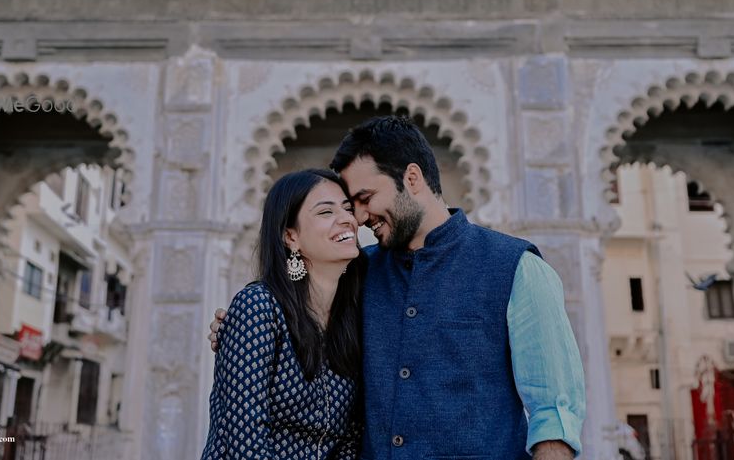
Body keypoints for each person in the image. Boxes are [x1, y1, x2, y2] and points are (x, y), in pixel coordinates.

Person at [211, 116, 586, 460]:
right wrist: (240, 331)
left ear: (411, 178)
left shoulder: (516, 268)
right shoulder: (360, 271)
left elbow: (553, 414)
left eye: (364, 199)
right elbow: (299, 314)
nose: (357, 217)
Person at [199, 168, 365, 460]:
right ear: (291, 237)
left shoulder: (351, 317)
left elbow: (350, 438)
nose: (347, 219)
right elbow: (245, 437)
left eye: (347, 208)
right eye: (326, 212)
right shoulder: (259, 307)